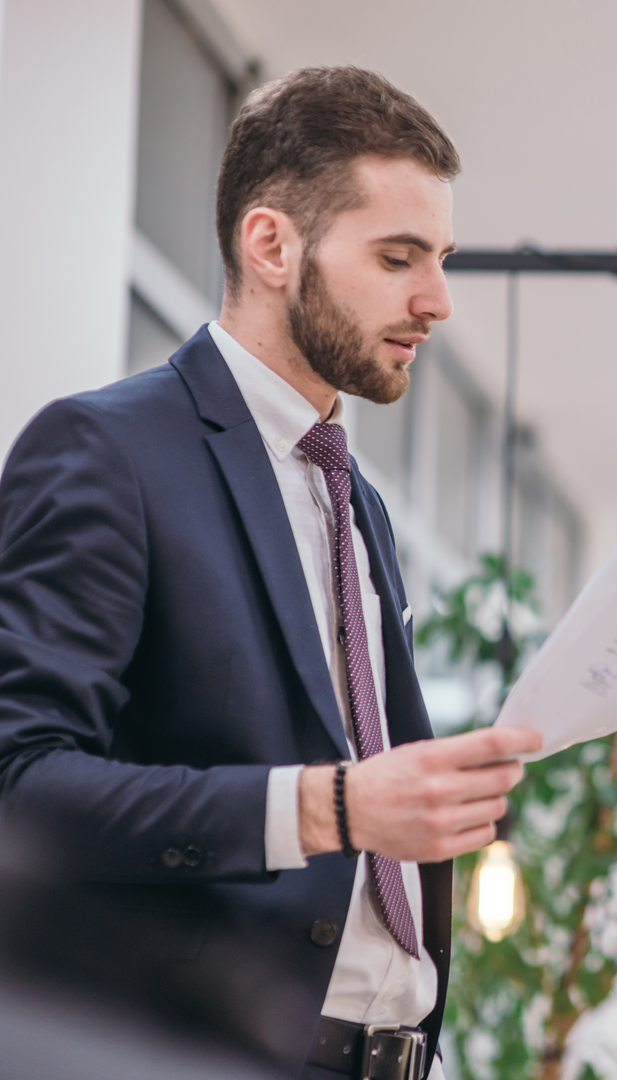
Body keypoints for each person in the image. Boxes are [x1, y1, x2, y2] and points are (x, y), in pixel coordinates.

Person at [0, 67, 544, 1079]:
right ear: (271, 245)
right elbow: (19, 788)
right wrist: (330, 806)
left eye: (442, 259)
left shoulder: (357, 501)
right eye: (398, 257)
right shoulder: (106, 450)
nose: (436, 301)